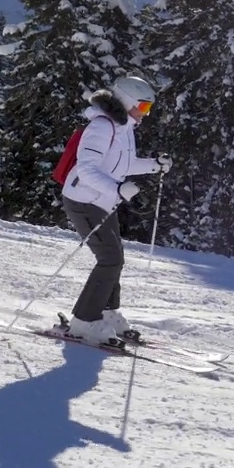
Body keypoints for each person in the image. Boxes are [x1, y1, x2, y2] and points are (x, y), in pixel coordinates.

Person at [59, 75, 171, 346]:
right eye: (143, 107)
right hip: (83, 200)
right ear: (128, 101)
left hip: (102, 201)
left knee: (115, 256)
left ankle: (107, 314)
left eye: (148, 109)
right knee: (109, 259)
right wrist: (117, 189)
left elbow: (124, 164)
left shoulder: (124, 127)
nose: (145, 114)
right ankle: (84, 322)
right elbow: (86, 169)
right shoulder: (101, 126)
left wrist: (153, 164)